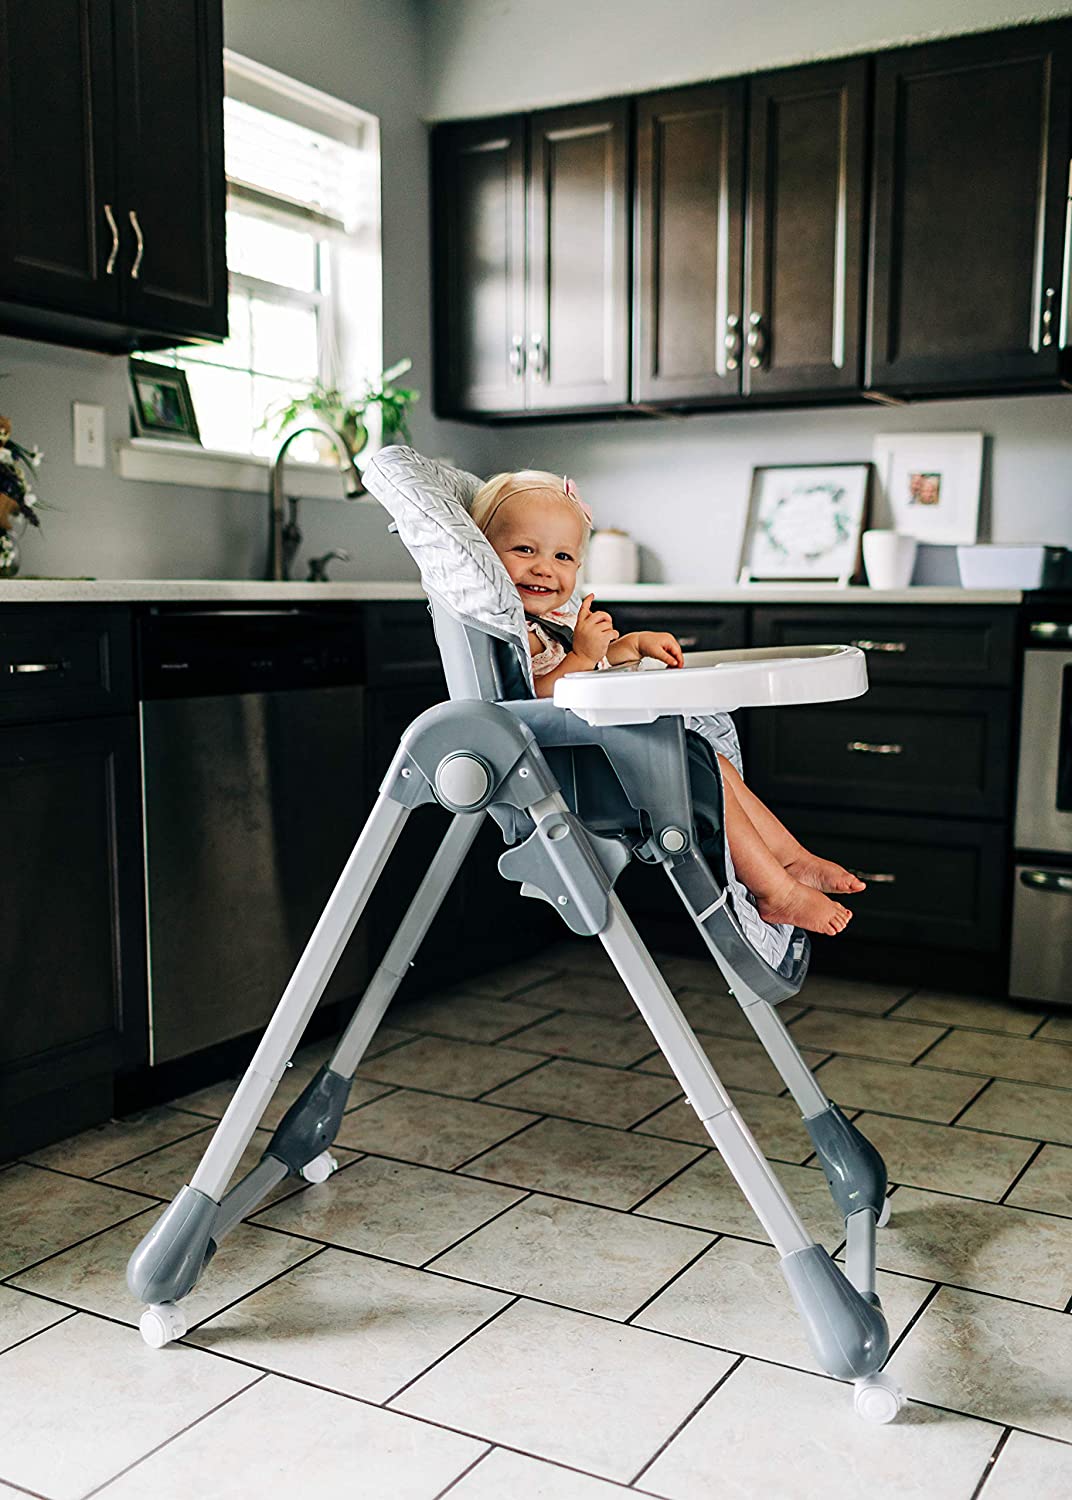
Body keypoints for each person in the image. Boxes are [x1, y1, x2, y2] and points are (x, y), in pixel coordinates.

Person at [469, 468, 863, 938]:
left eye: (563, 556)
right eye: (523, 550)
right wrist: (581, 654)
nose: (543, 567)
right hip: (578, 771)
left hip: (602, 753)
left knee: (715, 764)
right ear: (486, 557)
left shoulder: (546, 626)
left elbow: (592, 669)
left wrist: (630, 645)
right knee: (703, 768)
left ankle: (793, 859)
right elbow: (539, 699)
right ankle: (776, 891)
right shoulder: (514, 635)